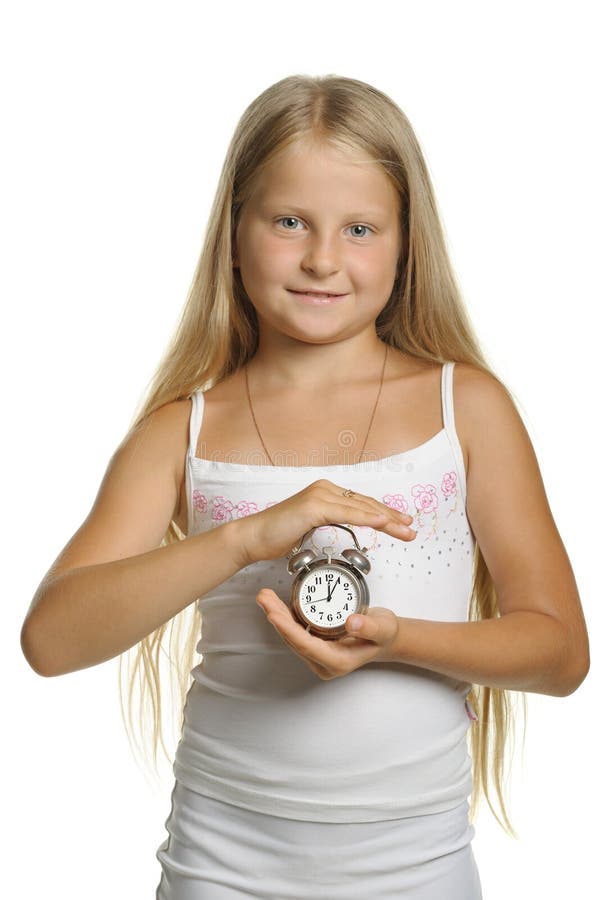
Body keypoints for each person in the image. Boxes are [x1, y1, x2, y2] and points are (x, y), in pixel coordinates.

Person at [20, 74, 589, 899]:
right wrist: (246, 537)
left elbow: (560, 652)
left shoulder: (463, 409)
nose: (322, 258)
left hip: (416, 868)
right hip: (220, 864)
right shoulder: (180, 431)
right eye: (289, 222)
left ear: (404, 245)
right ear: (235, 233)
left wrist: (395, 639)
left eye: (359, 228)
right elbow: (51, 640)